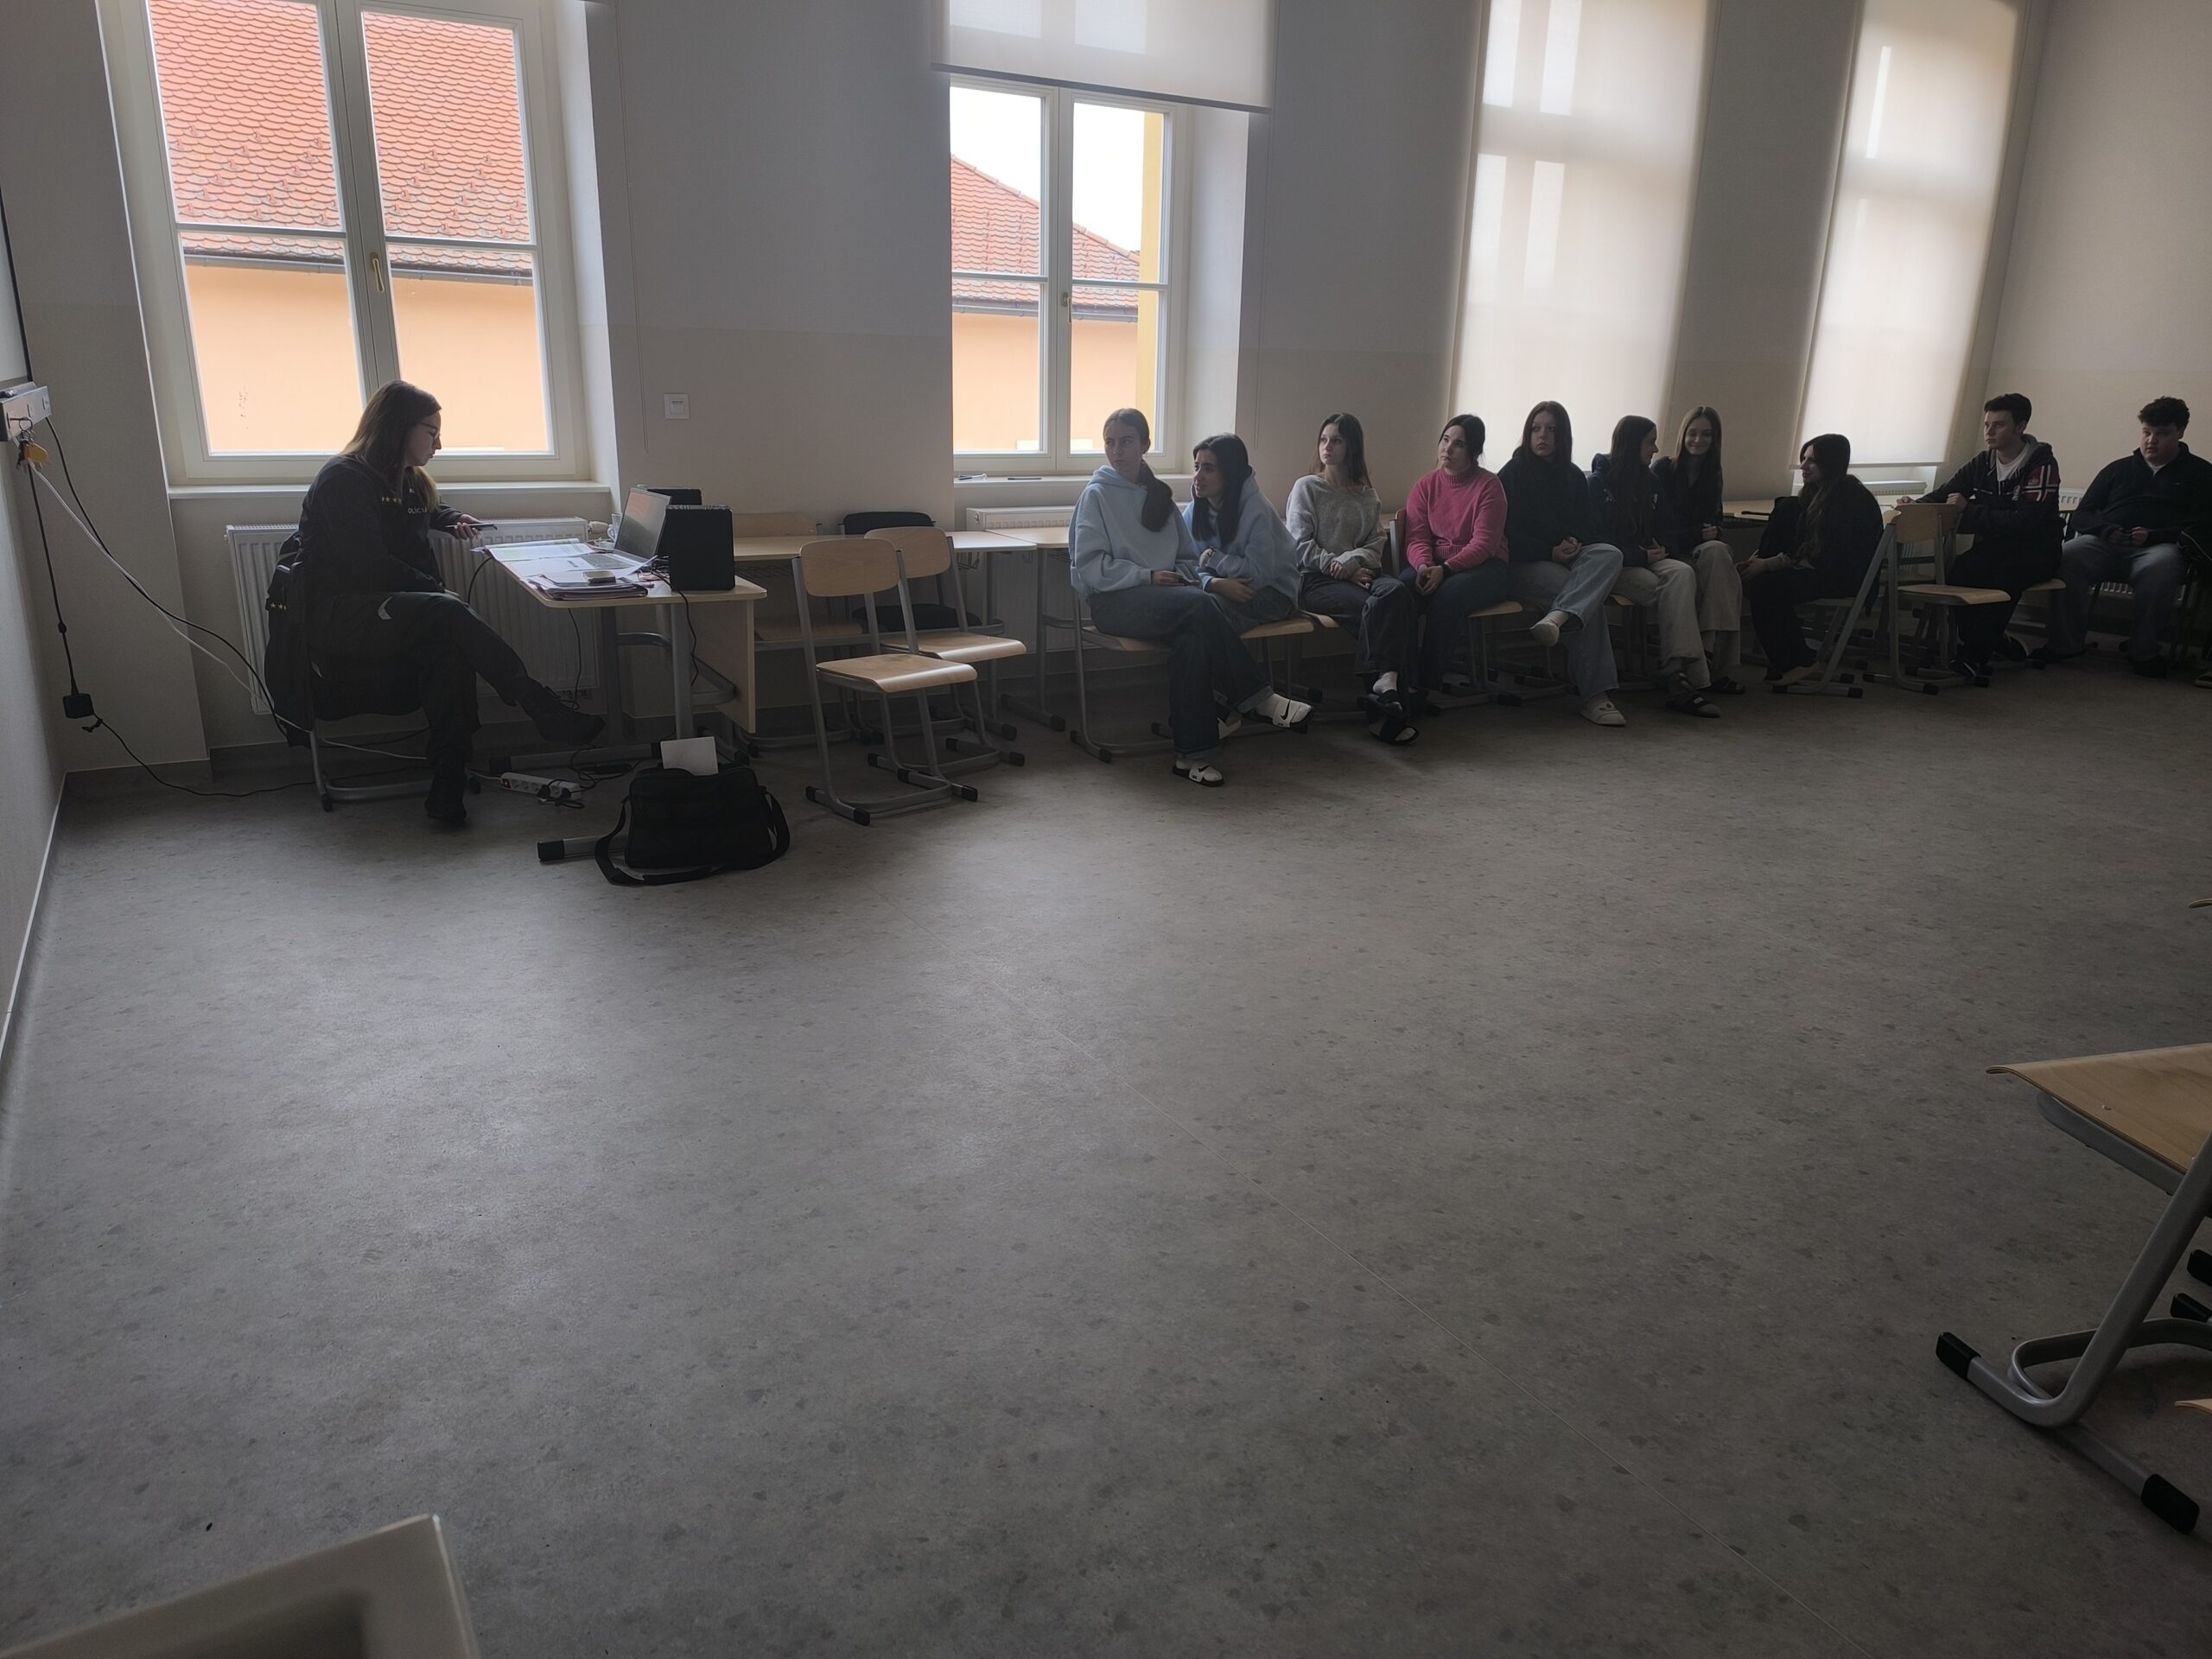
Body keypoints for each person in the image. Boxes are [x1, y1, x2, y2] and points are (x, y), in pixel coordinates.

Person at [298, 380, 602, 825]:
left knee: (448, 649)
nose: (439, 444)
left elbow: (420, 510)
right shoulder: (343, 480)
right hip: (344, 614)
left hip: (392, 610)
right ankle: (540, 706)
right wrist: (434, 591)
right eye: (432, 432)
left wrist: (452, 517)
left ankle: (448, 784)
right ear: (398, 428)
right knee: (447, 612)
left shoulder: (406, 479)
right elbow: (369, 565)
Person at [1069, 409, 1312, 787]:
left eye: (1127, 441)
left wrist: (1181, 579)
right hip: (1114, 602)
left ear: (1145, 445)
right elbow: (1090, 567)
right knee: (1201, 604)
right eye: (1110, 443)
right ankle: (1256, 696)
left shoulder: (1160, 497)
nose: (1117, 451)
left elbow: (1187, 558)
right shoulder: (1096, 496)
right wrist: (1147, 576)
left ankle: (1191, 756)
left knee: (1192, 641)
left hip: (1165, 600)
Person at [2040, 397, 2212, 677]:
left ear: (2180, 432)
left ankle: (2143, 652)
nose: (2151, 441)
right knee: (2068, 556)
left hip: (2160, 548)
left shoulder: (2201, 473)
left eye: (2162, 433)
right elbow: (2083, 514)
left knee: (2163, 567)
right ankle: (2064, 645)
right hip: (2105, 542)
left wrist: (2154, 536)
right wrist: (2106, 530)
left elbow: (2204, 524)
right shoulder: (2118, 469)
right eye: (2146, 432)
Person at [1286, 413, 1421, 742]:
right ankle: (1388, 713)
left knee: (1397, 593)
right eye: (1323, 440)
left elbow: (1375, 545)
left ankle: (1386, 683)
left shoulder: (1367, 496)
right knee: (1375, 611)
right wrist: (1339, 567)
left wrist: (1352, 562)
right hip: (1317, 580)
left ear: (1352, 447)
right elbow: (1299, 546)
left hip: (1362, 574)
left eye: (1336, 440)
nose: (1327, 447)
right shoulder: (1307, 488)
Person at [1910, 392, 2061, 679]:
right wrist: (1914, 506)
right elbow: (1946, 492)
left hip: (2038, 548)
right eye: (1987, 425)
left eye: (1999, 425)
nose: (1989, 432)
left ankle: (1973, 656)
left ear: (2020, 427)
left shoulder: (2041, 465)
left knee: (2005, 578)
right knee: (1960, 574)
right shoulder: (1983, 462)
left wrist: (1970, 511)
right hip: (1997, 545)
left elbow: (2026, 523)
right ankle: (1990, 641)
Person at [1496, 402, 1629, 726]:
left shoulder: (1572, 476)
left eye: (1551, 430)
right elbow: (1505, 536)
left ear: (1563, 436)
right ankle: (1596, 696)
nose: (1542, 436)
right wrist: (1550, 551)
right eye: (1536, 429)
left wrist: (1574, 541)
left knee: (1610, 553)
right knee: (1584, 599)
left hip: (1567, 559)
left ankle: (1558, 617)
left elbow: (1588, 526)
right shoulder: (1512, 474)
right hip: (1523, 564)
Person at [1587, 415, 1719, 717]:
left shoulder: (1651, 482)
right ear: (1631, 444)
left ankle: (1676, 669)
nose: (1656, 449)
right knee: (1671, 591)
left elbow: (1668, 528)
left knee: (1683, 572)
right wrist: (1639, 555)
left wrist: (1663, 548)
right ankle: (1683, 680)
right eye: (1650, 442)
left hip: (1650, 557)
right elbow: (1597, 542)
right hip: (1618, 565)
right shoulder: (1598, 484)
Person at [1739, 433, 1885, 683]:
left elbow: (1823, 556)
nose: (1804, 466)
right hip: (1820, 570)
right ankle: (1789, 658)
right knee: (1784, 512)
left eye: (1812, 461)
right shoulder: (1816, 494)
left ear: (1831, 463)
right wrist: (1761, 562)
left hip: (1843, 577)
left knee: (1765, 587)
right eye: (1803, 458)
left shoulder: (1848, 499)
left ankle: (1799, 661)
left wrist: (1770, 565)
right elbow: (1801, 545)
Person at [1400, 415, 1516, 709]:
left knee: (1448, 597)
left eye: (1459, 444)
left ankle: (1426, 685)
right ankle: (1401, 680)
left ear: (1474, 451)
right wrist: (1423, 566)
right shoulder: (1425, 486)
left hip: (1486, 567)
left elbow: (1484, 544)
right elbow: (1416, 537)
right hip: (1435, 564)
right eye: (1445, 440)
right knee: (1399, 590)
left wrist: (1446, 569)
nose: (1448, 449)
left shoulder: (1489, 486)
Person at [1649, 405, 1747, 691]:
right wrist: (1696, 534)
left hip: (1699, 551)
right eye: (1692, 433)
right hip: (1670, 549)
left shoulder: (1712, 474)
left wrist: (1714, 531)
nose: (1698, 440)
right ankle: (1713, 664)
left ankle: (1705, 651)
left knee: (1720, 556)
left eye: (1706, 434)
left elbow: (1715, 518)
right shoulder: (1664, 470)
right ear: (1683, 435)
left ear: (1715, 438)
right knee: (1725, 576)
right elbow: (1658, 525)